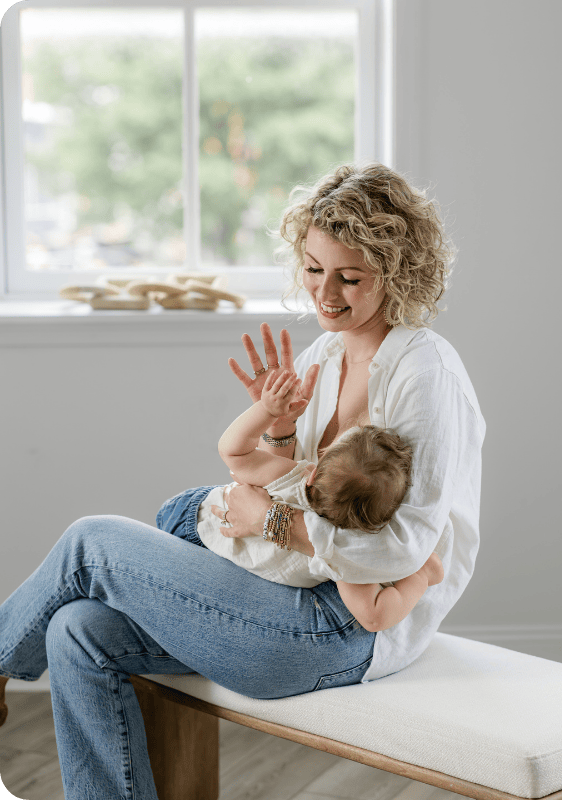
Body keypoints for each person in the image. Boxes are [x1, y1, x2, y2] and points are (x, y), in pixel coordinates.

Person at [0, 162, 484, 800]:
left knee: (94, 540)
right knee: (78, 630)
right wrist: (279, 427)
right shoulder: (324, 357)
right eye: (313, 268)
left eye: (350, 276)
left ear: (396, 273)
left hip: (348, 627)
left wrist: (272, 522)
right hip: (282, 589)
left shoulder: (426, 373)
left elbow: (406, 548)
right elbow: (287, 477)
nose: (325, 294)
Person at [192, 364, 443, 630]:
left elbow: (232, 451)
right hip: (202, 520)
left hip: (206, 529)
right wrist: (420, 577)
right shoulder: (347, 558)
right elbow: (374, 616)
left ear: (313, 473)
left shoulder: (296, 480)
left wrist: (266, 412)